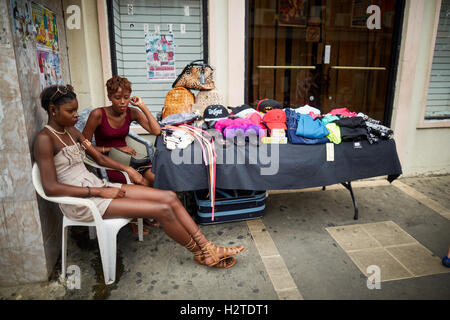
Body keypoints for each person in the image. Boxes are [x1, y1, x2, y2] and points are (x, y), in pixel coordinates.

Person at [33, 84, 245, 269]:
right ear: (53, 110)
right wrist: (98, 191)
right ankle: (201, 253)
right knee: (162, 210)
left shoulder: (71, 131)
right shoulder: (45, 139)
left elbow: (99, 158)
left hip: (100, 185)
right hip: (83, 201)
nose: (76, 115)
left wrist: (128, 170)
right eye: (71, 111)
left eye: (76, 110)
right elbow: (51, 187)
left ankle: (208, 247)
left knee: (169, 197)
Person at [82, 76, 161, 234]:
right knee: (142, 182)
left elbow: (156, 131)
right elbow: (83, 145)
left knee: (155, 178)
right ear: (109, 97)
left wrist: (142, 106)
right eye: (118, 98)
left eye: (126, 97)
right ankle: (134, 217)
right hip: (107, 162)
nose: (123, 102)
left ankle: (141, 214)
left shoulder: (132, 112)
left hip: (130, 159)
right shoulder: (98, 115)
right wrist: (110, 149)